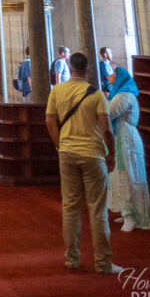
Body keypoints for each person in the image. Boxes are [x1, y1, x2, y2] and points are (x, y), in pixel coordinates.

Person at [44, 51, 120, 275]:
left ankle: (72, 259)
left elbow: (50, 120)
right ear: (87, 70)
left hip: (67, 152)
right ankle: (103, 263)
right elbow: (106, 129)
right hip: (93, 154)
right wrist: (111, 154)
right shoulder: (97, 95)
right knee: (98, 211)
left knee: (70, 208)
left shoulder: (58, 90)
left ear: (69, 66)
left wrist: (60, 145)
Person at [106, 66, 150, 231]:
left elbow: (109, 112)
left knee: (127, 174)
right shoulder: (118, 95)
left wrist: (100, 102)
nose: (108, 76)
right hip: (120, 137)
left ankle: (131, 216)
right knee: (118, 175)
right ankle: (126, 211)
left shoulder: (123, 96)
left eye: (112, 74)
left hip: (125, 139)